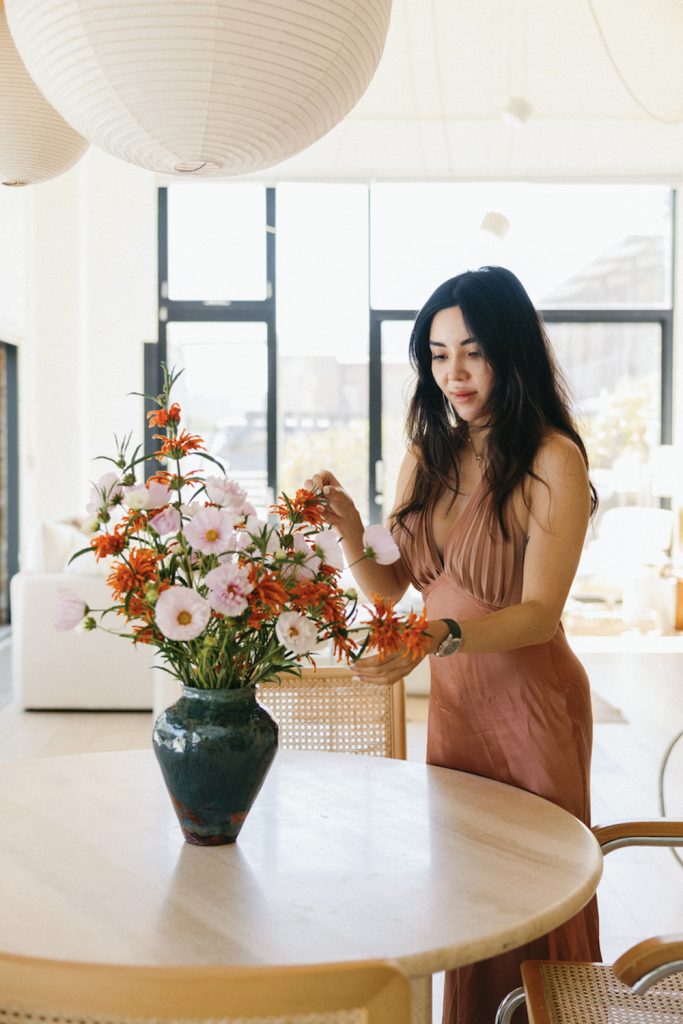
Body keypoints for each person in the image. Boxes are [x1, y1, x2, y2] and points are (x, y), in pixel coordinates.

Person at [305, 265, 601, 1024]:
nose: (453, 373)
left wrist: (442, 633)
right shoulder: (425, 453)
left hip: (532, 708)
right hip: (458, 712)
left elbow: (539, 613)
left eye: (471, 351)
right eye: (437, 355)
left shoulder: (551, 458)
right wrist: (347, 529)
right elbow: (389, 585)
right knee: (465, 901)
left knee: (536, 899)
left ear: (510, 350)